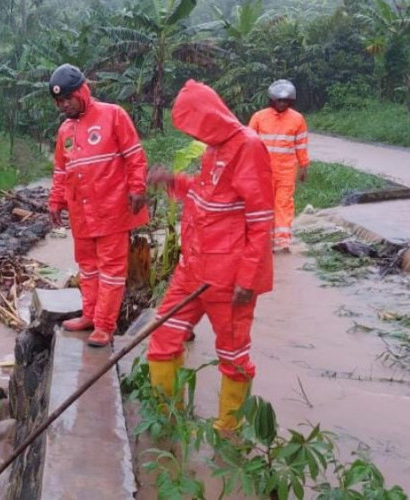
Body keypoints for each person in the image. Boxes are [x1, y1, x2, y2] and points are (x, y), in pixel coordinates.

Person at [146, 80, 274, 432]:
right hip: (193, 268)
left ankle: (228, 432)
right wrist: (172, 180)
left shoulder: (248, 147)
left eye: (195, 128)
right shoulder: (215, 149)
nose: (196, 136)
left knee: (233, 357)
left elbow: (261, 220)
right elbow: (208, 196)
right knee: (162, 337)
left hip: (228, 277)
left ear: (210, 118)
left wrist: (248, 279)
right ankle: (166, 419)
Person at [47, 63, 149, 348]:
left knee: (112, 270)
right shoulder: (65, 131)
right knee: (87, 267)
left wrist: (137, 188)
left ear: (82, 91)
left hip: (113, 210)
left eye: (68, 98)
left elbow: (134, 156)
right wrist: (56, 200)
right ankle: (90, 315)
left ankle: (105, 325)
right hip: (82, 214)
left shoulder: (113, 115)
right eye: (59, 101)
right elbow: (60, 172)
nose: (64, 105)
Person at [248, 79, 310, 253]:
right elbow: (248, 143)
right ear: (272, 100)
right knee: (264, 205)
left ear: (290, 101)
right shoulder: (259, 117)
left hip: (286, 171)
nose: (282, 104)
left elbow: (301, 145)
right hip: (262, 170)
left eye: (285, 101)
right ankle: (265, 240)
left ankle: (283, 241)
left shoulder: (298, 119)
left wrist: (304, 166)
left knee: (283, 204)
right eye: (279, 100)